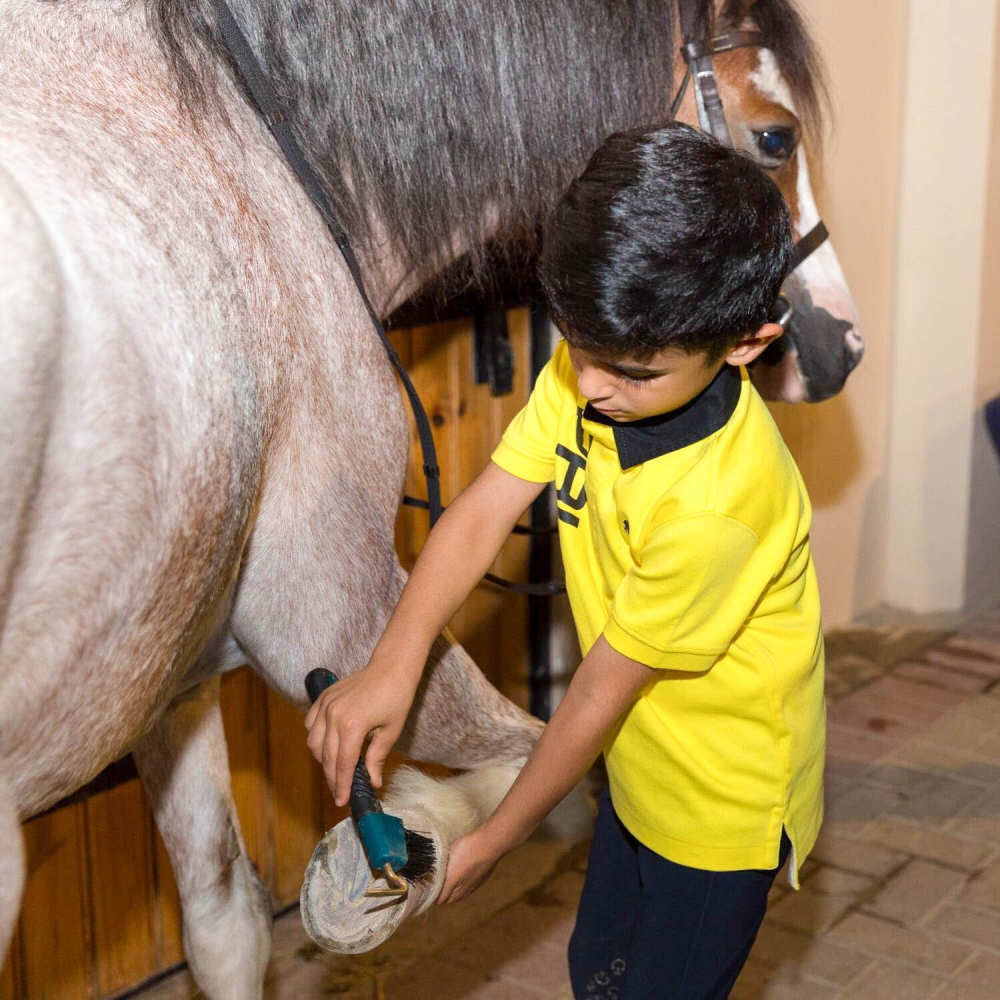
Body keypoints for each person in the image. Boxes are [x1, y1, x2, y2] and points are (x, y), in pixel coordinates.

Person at [305, 120, 825, 999]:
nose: (587, 388)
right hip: (637, 756)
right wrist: (393, 666)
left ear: (744, 344)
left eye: (625, 373)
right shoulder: (606, 356)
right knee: (597, 969)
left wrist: (490, 843)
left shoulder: (719, 508)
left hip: (718, 804)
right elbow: (479, 516)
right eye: (577, 352)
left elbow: (594, 693)